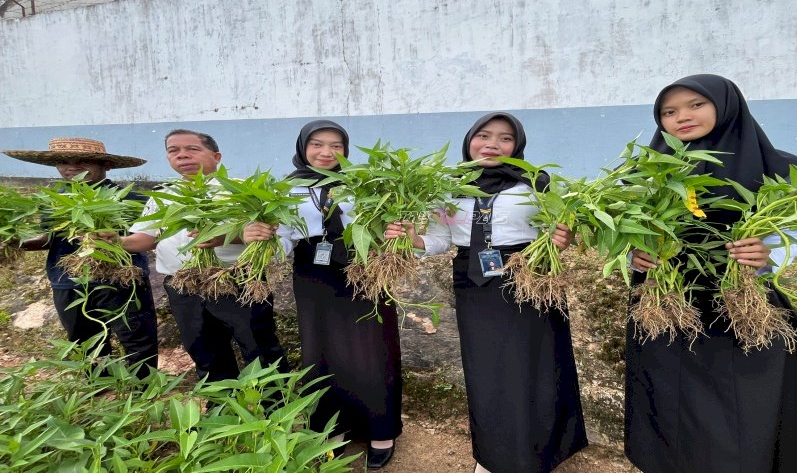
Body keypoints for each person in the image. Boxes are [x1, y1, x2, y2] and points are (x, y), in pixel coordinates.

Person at [626, 74, 797, 472]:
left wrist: (768, 251)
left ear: (726, 106)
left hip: (741, 308)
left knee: (740, 410)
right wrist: (633, 255)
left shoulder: (775, 167)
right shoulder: (645, 174)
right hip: (667, 307)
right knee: (669, 404)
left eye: (695, 105)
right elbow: (621, 231)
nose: (682, 117)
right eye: (669, 112)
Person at [386, 112, 588, 473]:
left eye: (505, 138)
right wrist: (411, 239)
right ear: (469, 141)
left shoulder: (536, 184)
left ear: (518, 145)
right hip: (473, 281)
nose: (493, 144)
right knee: (486, 368)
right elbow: (439, 239)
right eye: (483, 135)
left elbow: (560, 233)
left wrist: (564, 239)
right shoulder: (447, 188)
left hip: (527, 278)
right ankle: (493, 455)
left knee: (537, 364)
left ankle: (541, 451)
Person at [243, 120, 401, 469]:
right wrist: (260, 239)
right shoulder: (286, 189)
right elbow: (282, 240)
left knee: (374, 348)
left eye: (336, 145)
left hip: (364, 268)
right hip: (313, 273)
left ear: (346, 150)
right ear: (303, 147)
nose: (327, 152)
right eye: (317, 144)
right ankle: (332, 428)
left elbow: (384, 223)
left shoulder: (365, 184)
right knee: (322, 350)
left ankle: (381, 429)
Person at [117, 129, 288, 382]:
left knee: (258, 345)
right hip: (182, 284)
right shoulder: (165, 194)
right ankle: (219, 405)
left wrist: (225, 236)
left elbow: (270, 234)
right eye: (173, 151)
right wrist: (115, 242)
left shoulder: (243, 190)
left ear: (216, 156)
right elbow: (145, 238)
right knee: (203, 347)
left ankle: (275, 405)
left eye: (192, 149)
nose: (182, 155)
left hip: (235, 279)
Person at [2, 138, 158, 377]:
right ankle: (100, 385)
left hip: (120, 279)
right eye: (63, 161)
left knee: (136, 336)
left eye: (82, 161)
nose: (71, 167)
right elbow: (48, 237)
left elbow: (146, 238)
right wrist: (13, 242)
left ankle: (144, 390)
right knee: (85, 339)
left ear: (105, 164)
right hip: (67, 279)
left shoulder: (132, 199)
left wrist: (112, 238)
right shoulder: (53, 200)